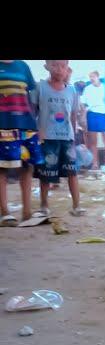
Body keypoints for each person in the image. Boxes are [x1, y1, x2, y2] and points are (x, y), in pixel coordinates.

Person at [32, 60, 85, 217]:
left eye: (63, 65)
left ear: (67, 68)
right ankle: (43, 205)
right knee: (46, 173)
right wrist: (36, 133)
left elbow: (74, 114)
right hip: (47, 138)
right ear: (47, 66)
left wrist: (74, 135)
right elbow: (33, 111)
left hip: (66, 138)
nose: (59, 69)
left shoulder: (72, 91)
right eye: (54, 65)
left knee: (72, 171)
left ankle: (76, 206)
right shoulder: (40, 87)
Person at [0, 60, 43, 226]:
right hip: (3, 123)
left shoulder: (24, 67)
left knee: (27, 165)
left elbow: (31, 97)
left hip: (26, 123)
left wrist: (35, 123)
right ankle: (4, 213)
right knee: (2, 167)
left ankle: (27, 212)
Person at [82, 70, 105, 169]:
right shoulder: (87, 89)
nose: (91, 79)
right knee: (93, 141)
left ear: (98, 76)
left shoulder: (104, 87)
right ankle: (95, 163)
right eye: (90, 77)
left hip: (103, 113)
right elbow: (84, 105)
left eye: (93, 76)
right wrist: (84, 118)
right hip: (92, 114)